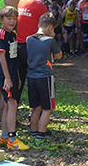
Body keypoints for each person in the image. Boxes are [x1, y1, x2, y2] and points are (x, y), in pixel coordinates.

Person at [0, 5, 29, 150]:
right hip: (4, 74)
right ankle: (12, 138)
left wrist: (17, 76)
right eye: (9, 18)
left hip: (13, 73)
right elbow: (2, 58)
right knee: (13, 104)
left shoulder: (13, 34)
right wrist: (7, 78)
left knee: (7, 105)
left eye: (14, 18)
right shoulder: (1, 34)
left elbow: (13, 57)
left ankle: (4, 136)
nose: (12, 21)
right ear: (1, 20)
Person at [26, 12, 63, 140]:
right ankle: (41, 133)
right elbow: (59, 55)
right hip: (45, 77)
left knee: (36, 107)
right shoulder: (50, 40)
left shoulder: (29, 39)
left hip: (31, 77)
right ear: (50, 28)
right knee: (47, 108)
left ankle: (33, 130)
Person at [17, 0, 49, 105]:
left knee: (19, 79)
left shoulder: (20, 1)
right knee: (35, 77)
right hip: (33, 46)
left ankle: (14, 107)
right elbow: (48, 23)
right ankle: (34, 108)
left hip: (18, 45)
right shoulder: (38, 4)